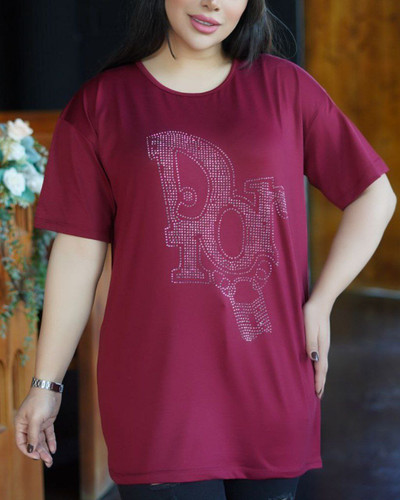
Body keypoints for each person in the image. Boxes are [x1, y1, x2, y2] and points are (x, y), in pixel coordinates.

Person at [14, 0, 396, 499]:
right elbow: (78, 253)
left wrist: (320, 303)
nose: (213, 3)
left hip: (272, 384)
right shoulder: (101, 104)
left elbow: (375, 196)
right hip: (157, 397)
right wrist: (46, 384)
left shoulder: (286, 88)